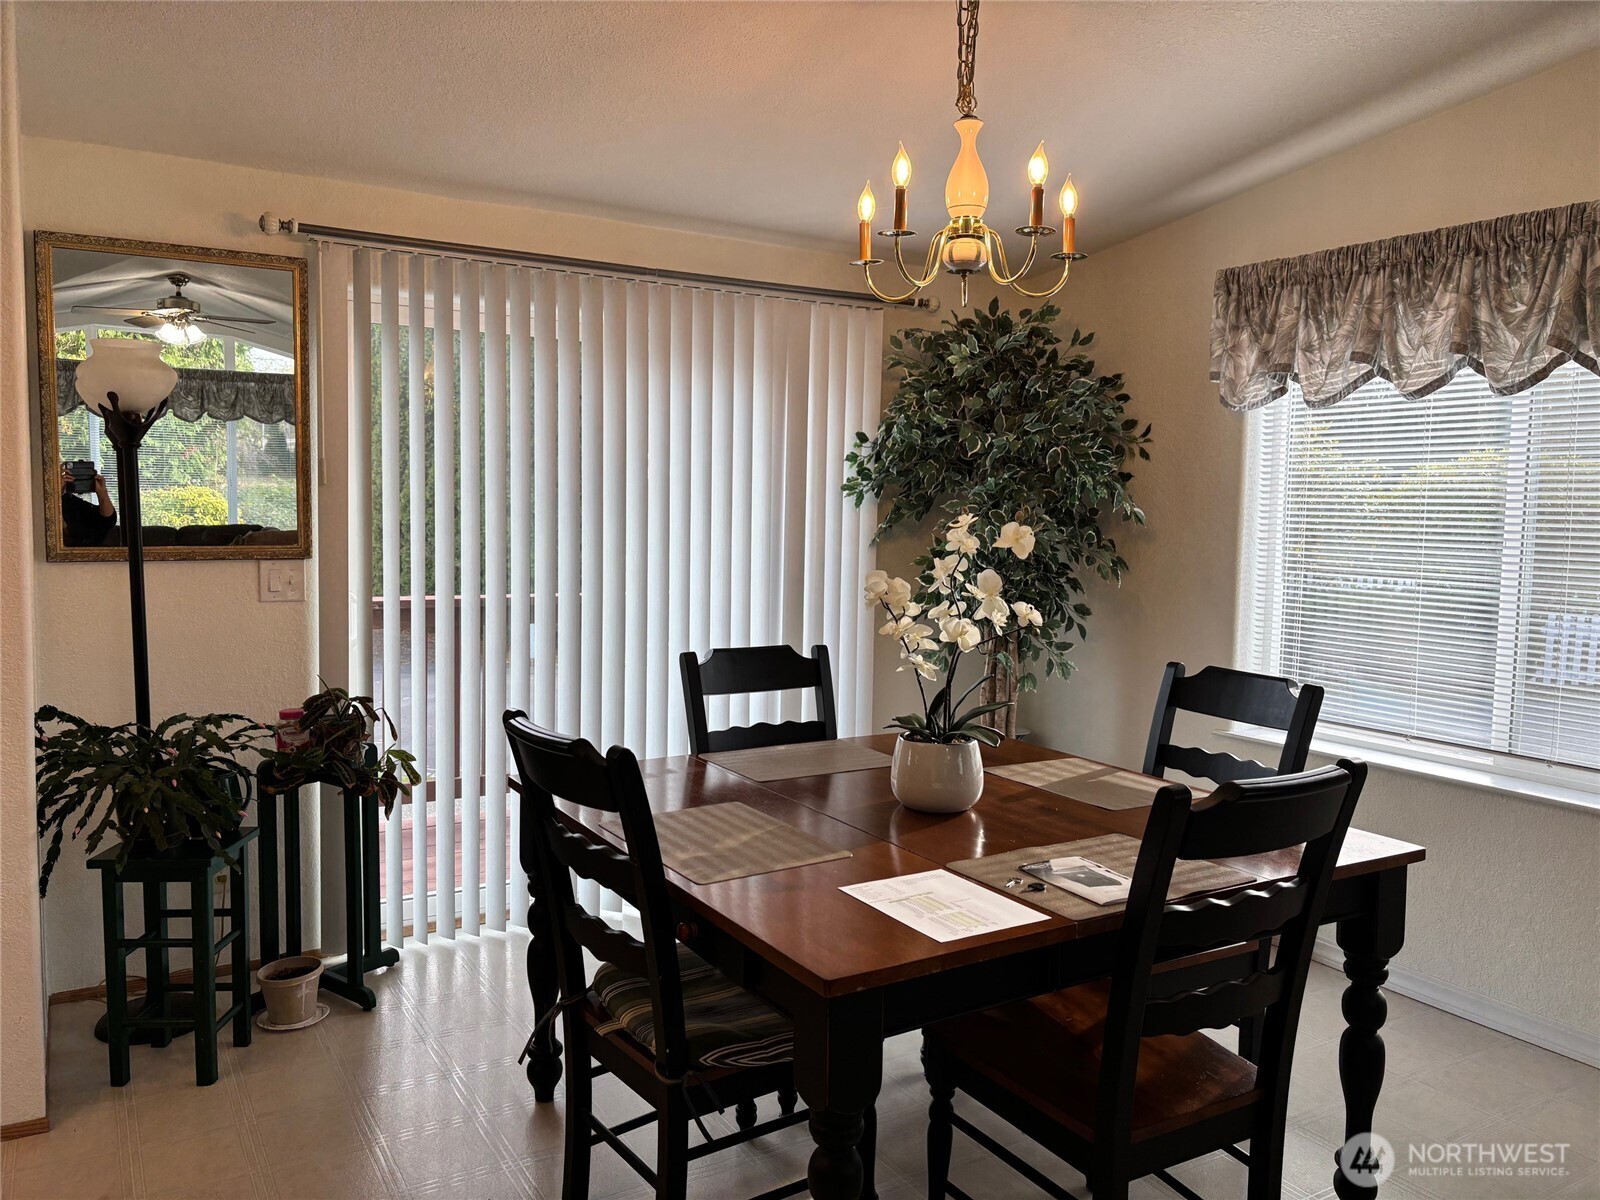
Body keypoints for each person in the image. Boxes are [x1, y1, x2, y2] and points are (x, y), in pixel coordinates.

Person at [60, 462, 117, 546]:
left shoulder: (71, 503)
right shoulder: (40, 503)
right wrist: (54, 492)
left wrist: (102, 493)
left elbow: (107, 520)